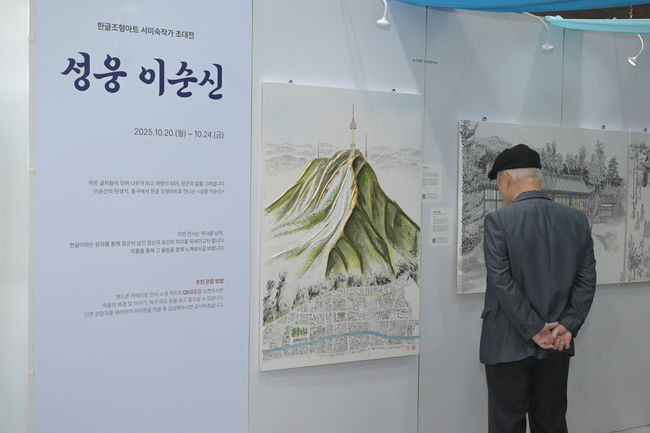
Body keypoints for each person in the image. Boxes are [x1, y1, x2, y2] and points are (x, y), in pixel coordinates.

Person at [480, 143, 597, 433]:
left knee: (507, 424)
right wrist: (567, 325)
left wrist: (534, 328)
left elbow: (502, 281)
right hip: (557, 342)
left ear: (506, 178)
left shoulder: (498, 221)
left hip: (507, 345)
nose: (500, 190)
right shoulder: (576, 220)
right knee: (551, 422)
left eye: (498, 183)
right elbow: (586, 280)